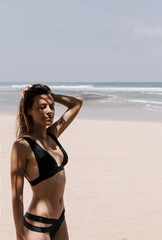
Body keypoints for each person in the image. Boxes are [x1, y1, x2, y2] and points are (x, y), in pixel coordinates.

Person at [10, 84, 83, 240]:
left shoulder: (53, 134)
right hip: (37, 224)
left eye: (51, 106)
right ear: (29, 111)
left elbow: (77, 103)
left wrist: (49, 95)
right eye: (42, 107)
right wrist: (19, 234)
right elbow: (17, 196)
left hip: (60, 219)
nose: (49, 111)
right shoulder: (22, 146)